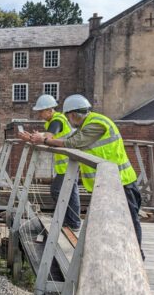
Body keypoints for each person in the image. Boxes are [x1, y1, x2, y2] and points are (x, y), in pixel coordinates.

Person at [28, 94, 143, 258]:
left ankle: (136, 255)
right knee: (108, 222)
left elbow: (74, 142)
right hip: (106, 183)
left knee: (129, 221)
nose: (68, 119)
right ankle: (117, 254)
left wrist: (45, 141)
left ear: (73, 114)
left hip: (120, 182)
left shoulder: (97, 123)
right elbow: (70, 137)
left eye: (69, 116)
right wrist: (39, 139)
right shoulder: (86, 125)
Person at [19, 94, 81, 231]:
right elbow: (47, 136)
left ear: (49, 110)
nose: (40, 115)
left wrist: (31, 138)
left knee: (58, 190)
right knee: (70, 191)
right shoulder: (55, 121)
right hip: (68, 162)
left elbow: (48, 137)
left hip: (68, 163)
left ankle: (72, 221)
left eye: (41, 111)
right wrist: (34, 136)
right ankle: (71, 221)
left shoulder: (56, 121)